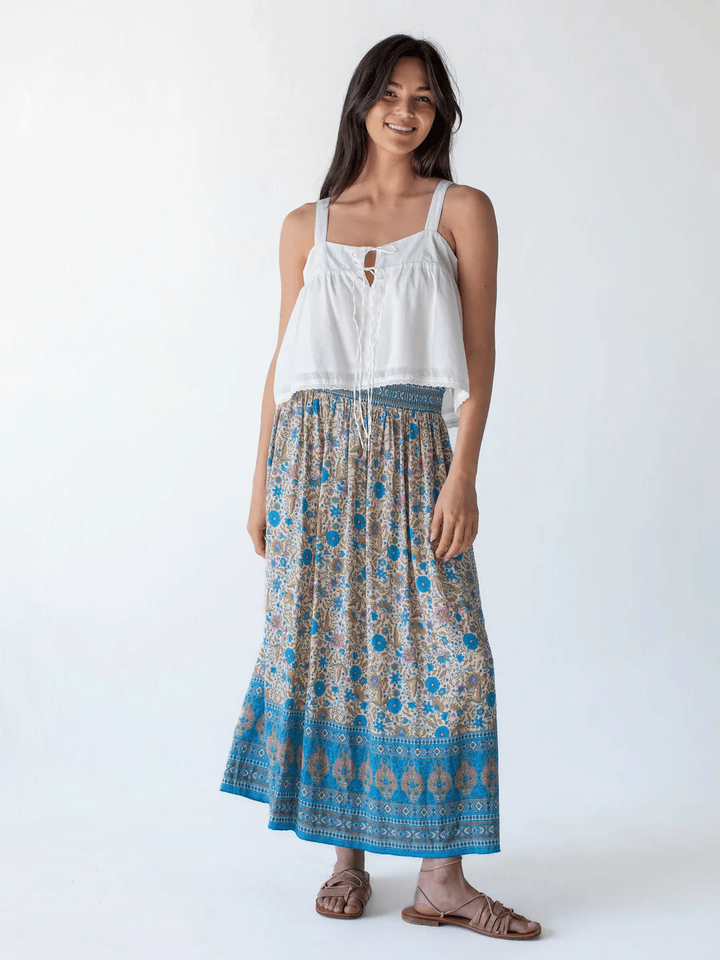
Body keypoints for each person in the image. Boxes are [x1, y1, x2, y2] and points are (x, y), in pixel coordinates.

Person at [220, 34, 541, 941]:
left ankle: (442, 882)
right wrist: (259, 485)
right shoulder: (307, 224)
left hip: (414, 452)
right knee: (334, 653)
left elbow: (479, 356)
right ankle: (346, 859)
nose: (406, 110)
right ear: (362, 103)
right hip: (310, 458)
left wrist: (463, 472)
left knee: (454, 659)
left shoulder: (460, 210)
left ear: (440, 114)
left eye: (425, 97)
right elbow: (282, 364)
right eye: (391, 93)